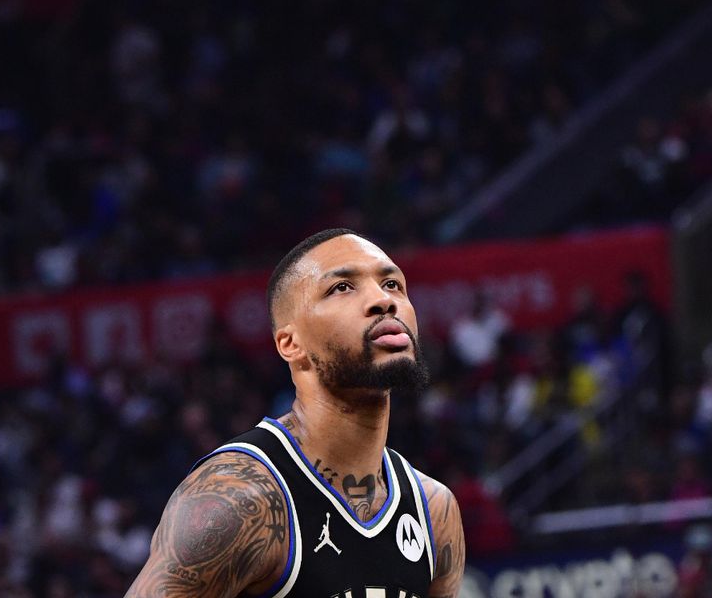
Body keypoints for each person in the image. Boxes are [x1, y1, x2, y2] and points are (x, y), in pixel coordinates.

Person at [125, 228, 465, 597]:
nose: (383, 300)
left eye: (393, 284)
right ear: (291, 344)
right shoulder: (239, 500)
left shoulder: (435, 510)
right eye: (342, 288)